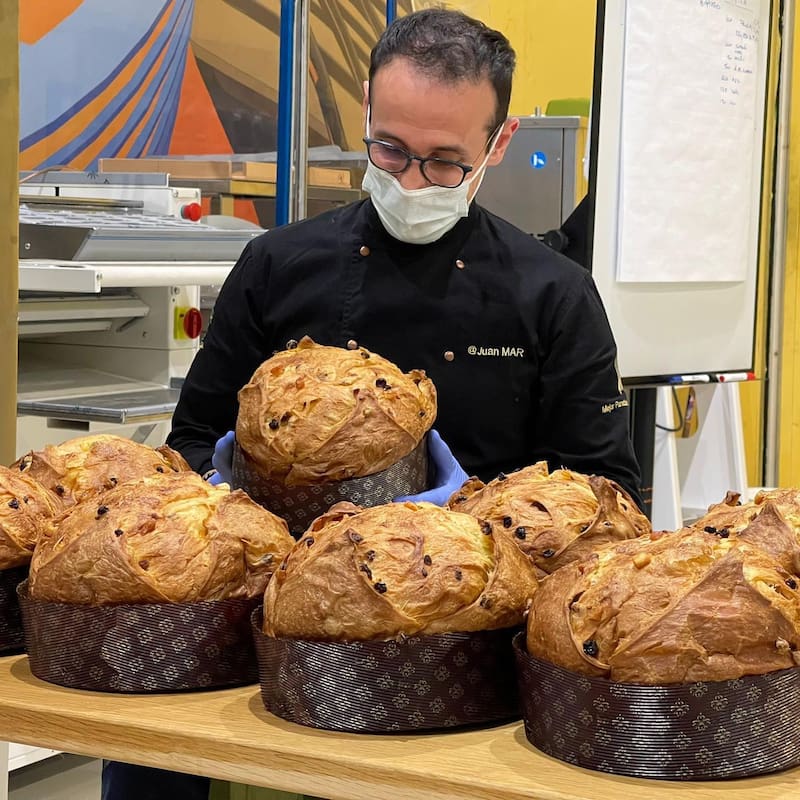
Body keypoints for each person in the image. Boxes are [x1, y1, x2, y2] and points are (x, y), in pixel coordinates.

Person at [103, 8, 642, 799]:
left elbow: (609, 496)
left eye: (444, 162)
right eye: (389, 148)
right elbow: (188, 444)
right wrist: (226, 484)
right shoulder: (274, 265)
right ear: (364, 106)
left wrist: (467, 520)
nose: (410, 181)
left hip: (462, 649)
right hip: (275, 621)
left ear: (498, 142)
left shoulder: (553, 296)